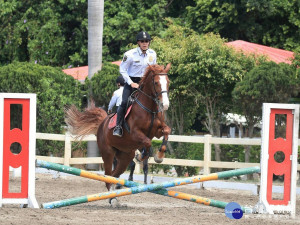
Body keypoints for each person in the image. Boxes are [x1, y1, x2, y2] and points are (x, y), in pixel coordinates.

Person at [113, 31, 157, 137]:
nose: (145, 43)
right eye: (142, 41)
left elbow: (153, 69)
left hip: (145, 83)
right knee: (124, 102)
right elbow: (122, 70)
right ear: (138, 42)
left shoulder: (152, 54)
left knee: (157, 100)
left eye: (147, 41)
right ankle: (118, 127)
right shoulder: (129, 54)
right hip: (132, 81)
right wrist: (131, 83)